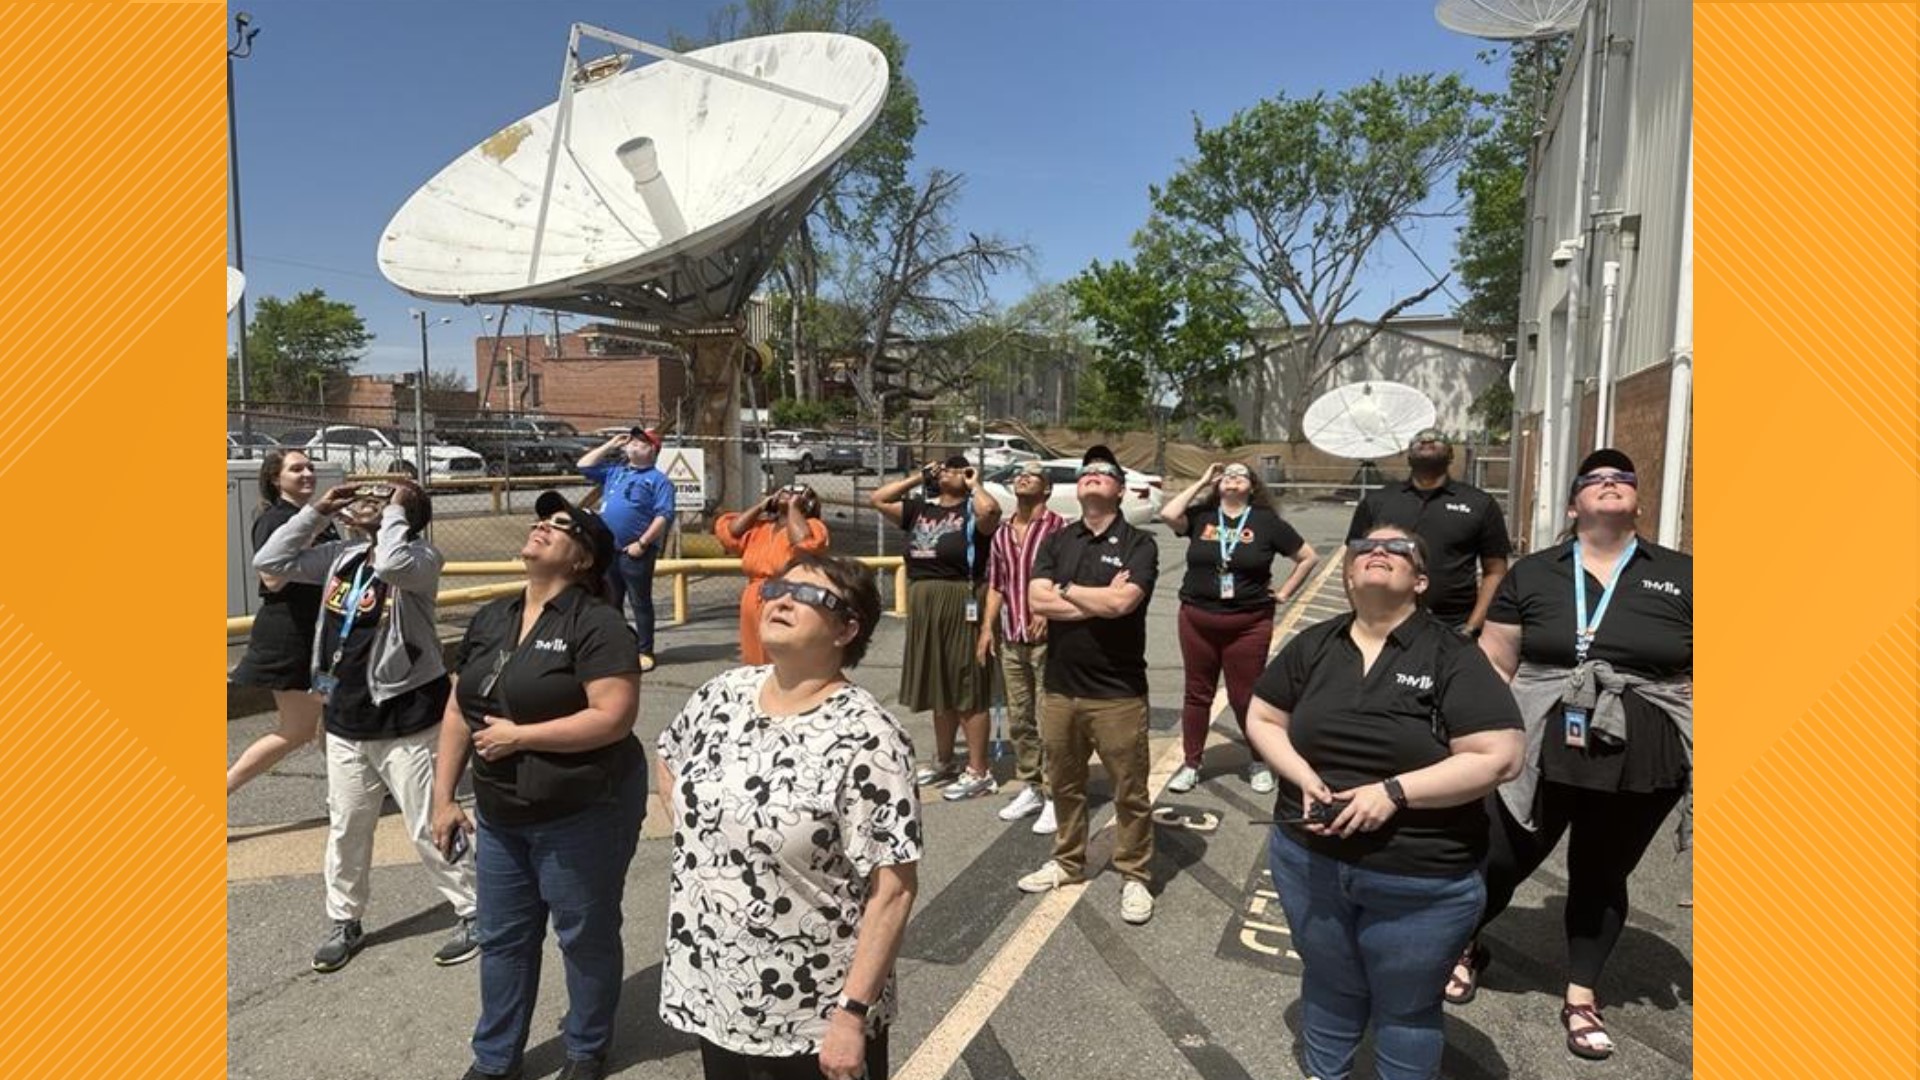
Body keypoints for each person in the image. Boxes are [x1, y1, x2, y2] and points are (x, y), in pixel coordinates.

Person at [1245, 525, 1523, 1080]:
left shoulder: (1452, 655)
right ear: (1348, 574)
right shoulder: (1314, 644)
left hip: (1419, 876)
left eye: (1398, 549)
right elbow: (1263, 716)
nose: (1378, 551)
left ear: (1419, 581)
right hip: (1310, 862)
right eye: (1365, 548)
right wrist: (1300, 774)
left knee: (1407, 1006)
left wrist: (1394, 793)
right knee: (1328, 983)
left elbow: (1500, 755)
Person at [1447, 449, 1692, 1063]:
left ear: (1638, 500)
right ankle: (1465, 945)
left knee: (1602, 872)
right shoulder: (1533, 573)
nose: (1610, 486)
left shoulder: (1685, 575)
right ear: (1574, 503)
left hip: (1644, 753)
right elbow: (1497, 663)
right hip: (1538, 744)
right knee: (1499, 859)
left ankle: (1581, 996)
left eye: (1622, 479)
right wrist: (1479, 742)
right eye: (1595, 481)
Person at [658, 553, 921, 1080]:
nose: (781, 599)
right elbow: (668, 754)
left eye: (808, 595)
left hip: (813, 1013)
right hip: (715, 991)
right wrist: (707, 836)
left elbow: (893, 889)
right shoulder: (722, 695)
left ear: (847, 629)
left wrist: (852, 1014)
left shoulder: (870, 738)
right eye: (778, 588)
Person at [432, 491, 645, 1080]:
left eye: (561, 526)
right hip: (501, 815)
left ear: (583, 561)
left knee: (584, 936)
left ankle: (586, 1048)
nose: (541, 527)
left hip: (581, 811)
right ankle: (495, 1059)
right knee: (502, 938)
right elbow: (458, 709)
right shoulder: (492, 617)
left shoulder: (597, 623)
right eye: (541, 520)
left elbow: (613, 717)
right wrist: (444, 798)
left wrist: (523, 738)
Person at [253, 479, 478, 973]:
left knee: (428, 824)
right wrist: (316, 511)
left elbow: (392, 564)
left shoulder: (421, 558)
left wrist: (396, 511)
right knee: (347, 827)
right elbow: (269, 562)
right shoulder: (343, 556)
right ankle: (344, 919)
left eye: (379, 499)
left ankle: (472, 907)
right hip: (346, 717)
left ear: (403, 512)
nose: (361, 503)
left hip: (409, 718)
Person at [1016, 445, 1160, 925]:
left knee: (1129, 790)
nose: (1093, 477)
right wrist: (1094, 596)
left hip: (1116, 691)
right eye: (1086, 473)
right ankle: (1066, 861)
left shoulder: (1140, 543)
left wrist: (1067, 590)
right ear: (1077, 488)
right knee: (1065, 783)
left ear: (1119, 489)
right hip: (1059, 687)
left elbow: (1124, 606)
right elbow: (1037, 601)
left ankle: (1135, 874)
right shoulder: (1059, 540)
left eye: (1104, 473)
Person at [1159, 460, 1319, 796]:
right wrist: (1202, 480)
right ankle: (1191, 764)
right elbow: (1169, 514)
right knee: (1196, 694)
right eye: (1226, 476)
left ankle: (1260, 760)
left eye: (1240, 476)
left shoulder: (1266, 522)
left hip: (1248, 623)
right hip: (1197, 618)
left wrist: (1286, 592)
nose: (1232, 479)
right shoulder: (1203, 516)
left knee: (1245, 696)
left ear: (1252, 485)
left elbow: (1308, 557)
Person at [868, 455, 1002, 801]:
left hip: (960, 598)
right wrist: (917, 477)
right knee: (939, 683)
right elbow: (878, 500)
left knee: (966, 683)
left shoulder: (973, 510)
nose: (947, 472)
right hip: (924, 600)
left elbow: (991, 514)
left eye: (955, 468)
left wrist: (974, 483)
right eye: (942, 468)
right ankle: (945, 759)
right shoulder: (919, 510)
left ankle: (979, 770)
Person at [228, 449, 336, 794]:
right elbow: (272, 577)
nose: (306, 474)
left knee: (331, 715)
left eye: (310, 467)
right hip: (291, 638)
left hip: (319, 638)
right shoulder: (276, 520)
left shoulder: (314, 516)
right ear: (277, 479)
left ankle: (351, 790)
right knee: (297, 729)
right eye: (296, 469)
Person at [1345, 428, 1510, 635]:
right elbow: (1352, 559)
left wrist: (1472, 626)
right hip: (1384, 623)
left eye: (1437, 440)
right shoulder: (1377, 502)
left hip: (1455, 627)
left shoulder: (1480, 504)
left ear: (1451, 455)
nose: (1427, 440)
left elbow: (1495, 571)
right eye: (1419, 441)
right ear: (1408, 456)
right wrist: (1360, 613)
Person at [979, 460, 1068, 833]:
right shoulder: (1001, 534)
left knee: (1050, 718)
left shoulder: (1060, 528)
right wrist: (987, 628)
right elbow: (997, 584)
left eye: (1032, 474)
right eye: (1019, 475)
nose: (1023, 477)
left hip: (1047, 639)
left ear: (1046, 489)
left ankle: (1054, 794)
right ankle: (1031, 784)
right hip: (1012, 636)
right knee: (1020, 717)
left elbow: (1068, 578)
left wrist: (1048, 610)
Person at [577, 425, 676, 672]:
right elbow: (584, 465)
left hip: (636, 552)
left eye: (640, 442)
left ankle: (645, 650)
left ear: (652, 450)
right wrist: (610, 444)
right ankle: (618, 647)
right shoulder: (615, 472)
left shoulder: (658, 480)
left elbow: (664, 515)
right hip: (610, 549)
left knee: (640, 601)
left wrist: (642, 543)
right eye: (631, 441)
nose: (632, 444)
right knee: (612, 600)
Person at [714, 482, 830, 665]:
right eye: (785, 490)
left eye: (797, 492)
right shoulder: (760, 528)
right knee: (753, 655)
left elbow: (804, 542)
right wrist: (761, 506)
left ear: (807, 504)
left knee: (780, 655)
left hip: (785, 596)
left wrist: (793, 507)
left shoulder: (812, 526)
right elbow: (731, 532)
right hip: (753, 597)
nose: (789, 493)